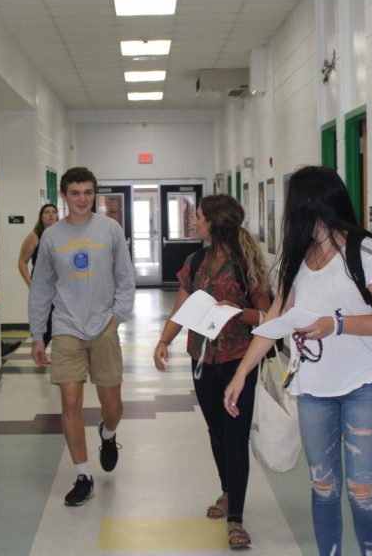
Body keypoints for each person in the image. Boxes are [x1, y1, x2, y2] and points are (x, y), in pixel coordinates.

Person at [223, 166, 372, 556]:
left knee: (362, 489)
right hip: (313, 390)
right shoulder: (298, 259)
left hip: (364, 386)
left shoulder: (364, 250)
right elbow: (273, 320)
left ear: (311, 203)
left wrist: (335, 324)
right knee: (323, 487)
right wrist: (242, 373)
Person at [153, 194, 270, 550]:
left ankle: (236, 518)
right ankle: (227, 490)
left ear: (215, 223)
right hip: (202, 361)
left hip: (239, 361)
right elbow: (181, 306)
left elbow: (266, 315)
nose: (194, 222)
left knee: (235, 438)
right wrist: (163, 341)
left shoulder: (246, 262)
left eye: (198, 216)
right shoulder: (195, 261)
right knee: (217, 433)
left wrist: (236, 310)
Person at [29, 167, 135, 507]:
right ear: (64, 196)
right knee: (71, 402)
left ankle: (108, 433)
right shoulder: (51, 237)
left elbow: (125, 276)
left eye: (88, 192)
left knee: (112, 405)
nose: (82, 199)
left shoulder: (110, 230)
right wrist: (36, 335)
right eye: (75, 193)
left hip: (104, 325)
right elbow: (42, 288)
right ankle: (82, 474)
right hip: (66, 327)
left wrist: (117, 317)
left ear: (95, 194)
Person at [19, 204, 59, 345]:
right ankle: (41, 347)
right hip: (42, 281)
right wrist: (30, 282)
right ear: (41, 217)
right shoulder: (35, 236)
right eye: (47, 212)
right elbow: (22, 261)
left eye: (54, 212)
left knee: (59, 319)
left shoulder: (61, 234)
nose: (51, 215)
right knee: (45, 318)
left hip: (59, 283)